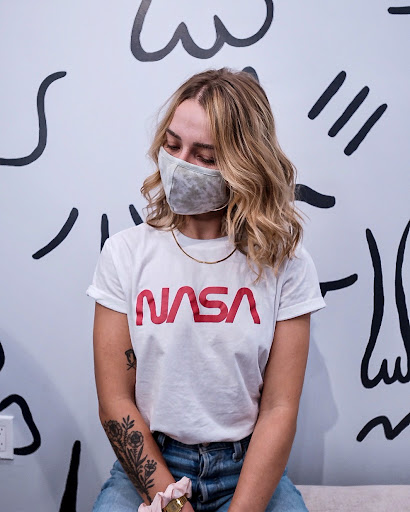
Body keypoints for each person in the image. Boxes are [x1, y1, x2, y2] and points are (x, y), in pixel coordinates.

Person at [86, 67, 326, 512]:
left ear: (243, 164)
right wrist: (171, 505)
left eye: (205, 155)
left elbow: (279, 408)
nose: (180, 164)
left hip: (247, 468)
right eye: (172, 145)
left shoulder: (286, 264)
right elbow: (115, 401)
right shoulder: (124, 253)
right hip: (154, 463)